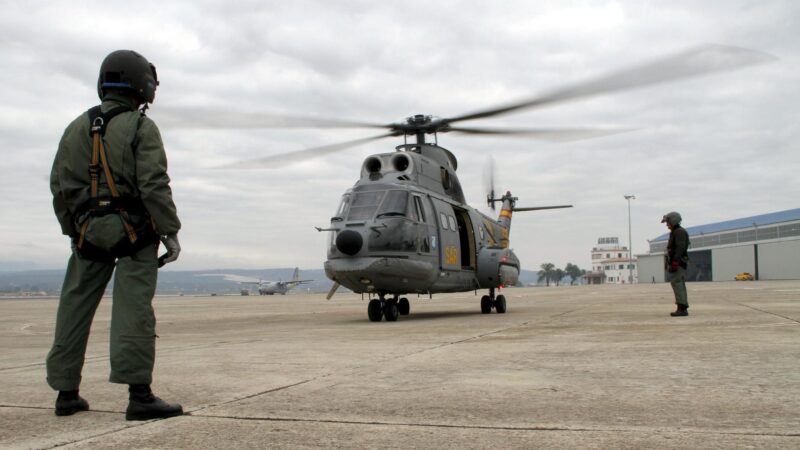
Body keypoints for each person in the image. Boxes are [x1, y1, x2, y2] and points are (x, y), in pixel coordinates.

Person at [47, 50, 183, 420]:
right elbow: (154, 184)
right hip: (135, 233)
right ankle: (139, 395)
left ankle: (65, 392)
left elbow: (58, 188)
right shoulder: (140, 127)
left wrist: (73, 231)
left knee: (73, 309)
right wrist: (169, 231)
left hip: (87, 233)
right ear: (143, 85)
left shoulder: (74, 128)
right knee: (133, 309)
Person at [662, 211, 690, 317]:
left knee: (676, 282)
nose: (667, 225)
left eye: (668, 222)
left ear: (673, 221)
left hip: (679, 262)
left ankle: (681, 308)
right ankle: (683, 306)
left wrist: (675, 261)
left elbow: (680, 248)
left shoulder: (679, 232)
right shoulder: (676, 231)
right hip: (677, 261)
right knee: (679, 283)